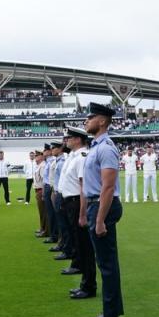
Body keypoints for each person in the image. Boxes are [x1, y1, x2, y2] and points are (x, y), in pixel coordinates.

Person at [80, 102, 123, 317]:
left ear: (103, 121)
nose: (86, 121)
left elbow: (108, 187)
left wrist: (99, 220)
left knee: (107, 266)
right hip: (96, 206)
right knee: (104, 264)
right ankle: (109, 312)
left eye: (91, 117)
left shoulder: (106, 148)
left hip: (103, 207)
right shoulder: (97, 146)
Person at [61, 126, 95, 300]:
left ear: (78, 139)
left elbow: (83, 187)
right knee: (80, 245)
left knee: (85, 247)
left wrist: (82, 213)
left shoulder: (81, 157)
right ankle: (85, 283)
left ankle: (89, 286)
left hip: (77, 203)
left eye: (70, 137)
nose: (66, 140)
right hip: (70, 203)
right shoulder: (74, 156)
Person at [33, 151, 47, 236]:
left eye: (37, 155)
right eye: (35, 155)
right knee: (41, 212)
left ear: (42, 156)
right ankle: (42, 228)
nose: (35, 157)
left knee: (44, 212)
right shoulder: (39, 166)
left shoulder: (42, 166)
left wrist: (43, 193)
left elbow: (44, 181)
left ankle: (45, 230)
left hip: (41, 190)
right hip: (38, 190)